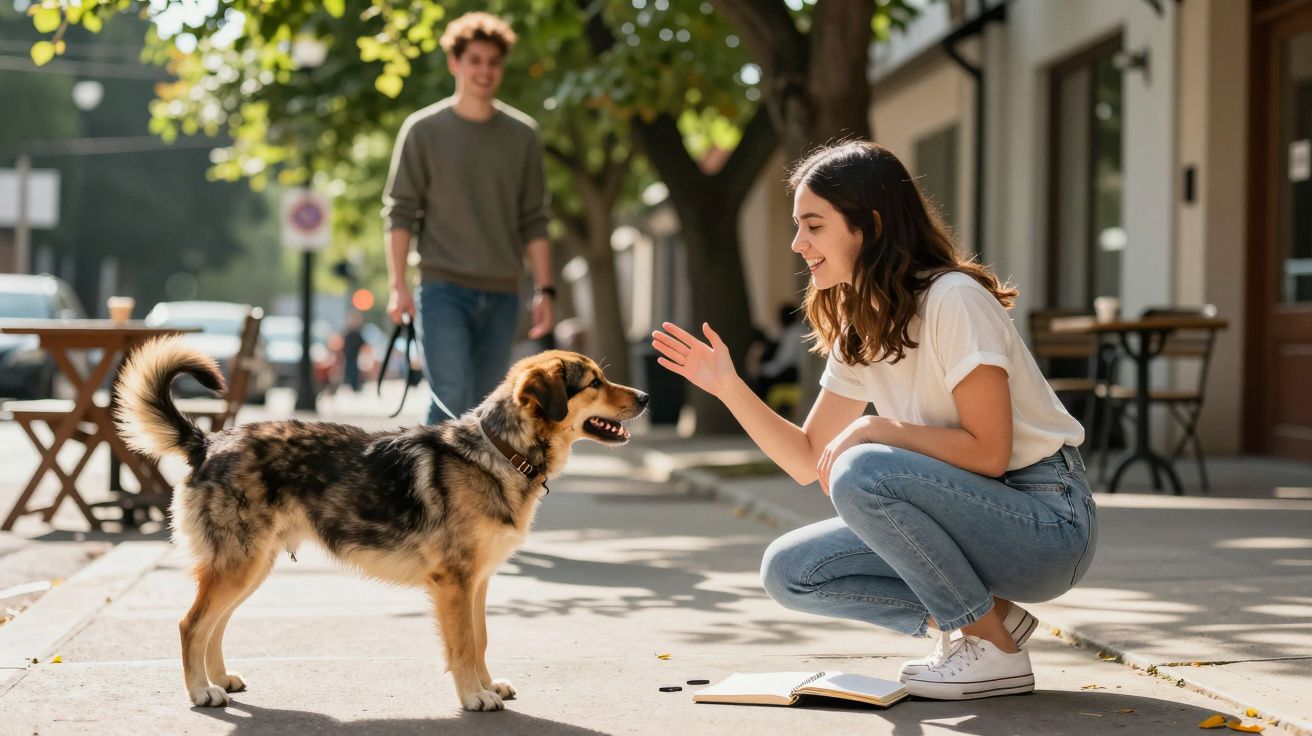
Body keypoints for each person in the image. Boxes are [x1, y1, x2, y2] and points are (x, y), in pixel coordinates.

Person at [651, 141, 1094, 701]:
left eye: (814, 225)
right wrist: (729, 388)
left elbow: (989, 454)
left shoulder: (953, 300)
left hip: (1046, 523)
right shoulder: (862, 324)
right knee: (789, 569)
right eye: (797, 226)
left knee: (862, 468)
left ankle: (989, 649)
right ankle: (994, 618)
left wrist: (874, 429)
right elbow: (808, 461)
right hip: (970, 518)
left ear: (872, 226)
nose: (798, 243)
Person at [381, 11, 555, 423]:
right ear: (454, 63)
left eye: (493, 62)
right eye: (475, 60)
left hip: (502, 292)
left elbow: (535, 218)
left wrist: (546, 289)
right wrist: (397, 285)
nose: (485, 70)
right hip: (442, 288)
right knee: (450, 394)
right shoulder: (422, 130)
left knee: (486, 407)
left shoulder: (523, 135)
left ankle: (467, 472)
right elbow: (400, 212)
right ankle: (431, 469)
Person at [340, 311, 366, 392]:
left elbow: (362, 344)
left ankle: (354, 385)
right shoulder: (348, 333)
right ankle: (351, 384)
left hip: (354, 356)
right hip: (348, 356)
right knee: (350, 369)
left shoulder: (356, 333)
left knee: (353, 370)